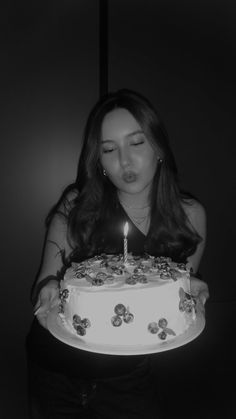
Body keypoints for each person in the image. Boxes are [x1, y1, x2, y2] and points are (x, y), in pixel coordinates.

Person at [26, 89, 209, 418]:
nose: (125, 160)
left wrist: (191, 294)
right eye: (109, 149)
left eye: (137, 143)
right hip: (54, 372)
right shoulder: (76, 206)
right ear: (100, 162)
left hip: (128, 380)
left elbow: (181, 290)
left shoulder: (190, 216)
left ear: (159, 147)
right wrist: (47, 293)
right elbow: (43, 286)